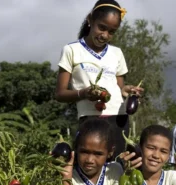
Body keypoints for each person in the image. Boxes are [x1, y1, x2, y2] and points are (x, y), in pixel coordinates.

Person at [55, 0, 143, 159]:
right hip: (90, 119)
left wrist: (128, 91)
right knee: (89, 167)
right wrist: (84, 93)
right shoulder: (72, 50)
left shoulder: (116, 53)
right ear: (90, 20)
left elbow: (119, 89)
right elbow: (60, 94)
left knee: (117, 167)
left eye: (111, 32)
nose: (105, 35)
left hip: (119, 119)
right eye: (102, 27)